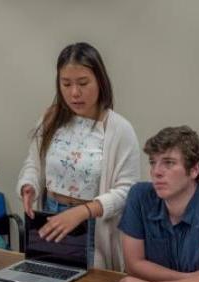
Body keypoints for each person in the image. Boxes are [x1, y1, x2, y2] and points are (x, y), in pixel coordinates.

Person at [17, 42, 140, 270]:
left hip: (92, 224)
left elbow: (127, 191)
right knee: (48, 279)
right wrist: (29, 185)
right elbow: (33, 163)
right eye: (66, 84)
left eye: (83, 83)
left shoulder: (120, 129)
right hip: (52, 215)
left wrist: (82, 212)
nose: (74, 93)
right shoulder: (51, 118)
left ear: (100, 81)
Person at [112, 126, 199, 282]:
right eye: (153, 162)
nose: (156, 172)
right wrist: (191, 279)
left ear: (194, 170)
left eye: (169, 163)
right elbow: (133, 266)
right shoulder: (139, 196)